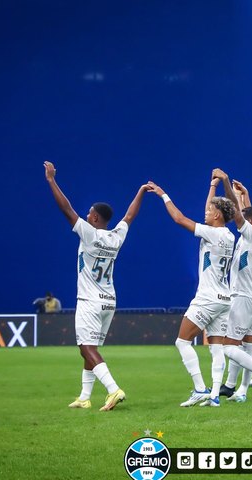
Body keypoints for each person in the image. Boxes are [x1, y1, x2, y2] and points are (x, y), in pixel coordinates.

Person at [44, 161, 149, 411]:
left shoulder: (89, 233)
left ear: (94, 217)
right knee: (89, 348)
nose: (86, 215)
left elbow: (66, 209)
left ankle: (114, 390)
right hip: (109, 301)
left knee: (86, 347)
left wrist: (51, 180)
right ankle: (84, 396)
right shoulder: (116, 237)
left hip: (89, 301)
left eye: (89, 212)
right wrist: (141, 192)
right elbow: (129, 216)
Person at [147, 177, 236, 407]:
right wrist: (212, 186)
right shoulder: (229, 236)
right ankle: (214, 395)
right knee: (216, 347)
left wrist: (163, 195)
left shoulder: (212, 233)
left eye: (210, 210)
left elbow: (179, 218)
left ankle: (199, 388)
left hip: (207, 297)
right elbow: (209, 212)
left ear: (217, 215)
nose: (206, 212)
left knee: (182, 341)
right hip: (224, 298)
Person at [207, 169, 252, 405]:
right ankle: (243, 390)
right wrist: (247, 196)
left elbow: (238, 213)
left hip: (243, 297)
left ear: (251, 223)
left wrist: (226, 182)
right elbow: (250, 214)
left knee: (228, 347)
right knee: (249, 344)